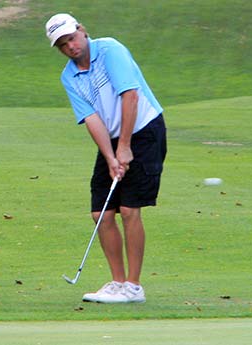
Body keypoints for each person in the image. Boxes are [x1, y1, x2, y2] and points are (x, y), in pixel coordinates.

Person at [45, 13, 167, 303]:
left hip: (144, 129)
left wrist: (125, 146)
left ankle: (134, 287)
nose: (70, 46)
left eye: (71, 38)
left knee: (129, 209)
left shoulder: (110, 50)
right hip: (112, 138)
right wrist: (111, 156)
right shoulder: (69, 76)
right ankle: (117, 282)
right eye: (62, 44)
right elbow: (91, 118)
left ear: (82, 31)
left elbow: (130, 96)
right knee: (100, 213)